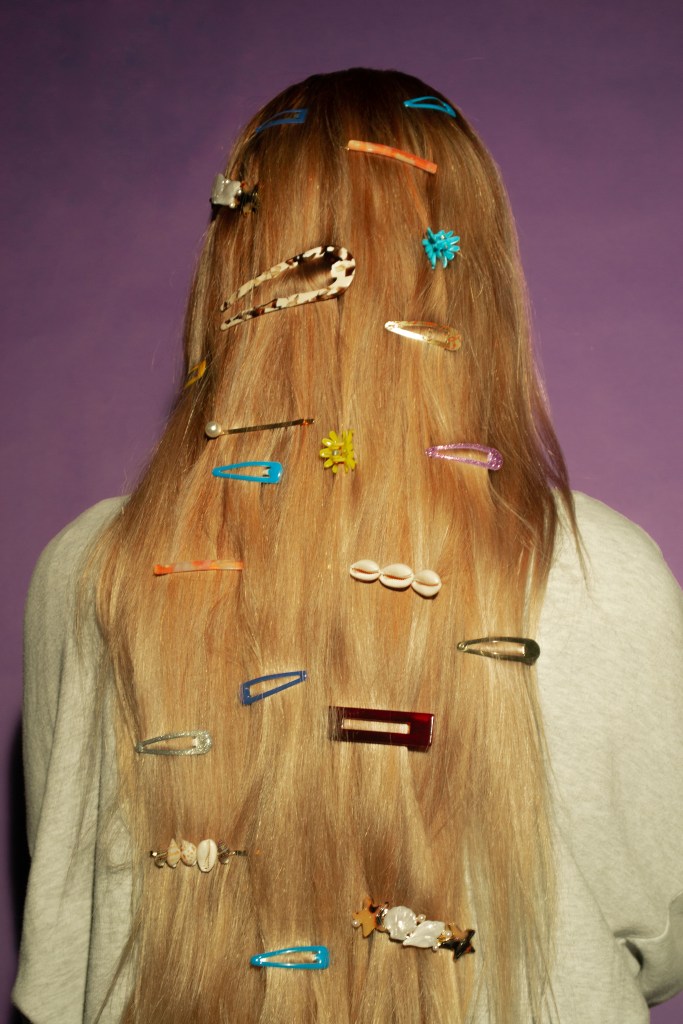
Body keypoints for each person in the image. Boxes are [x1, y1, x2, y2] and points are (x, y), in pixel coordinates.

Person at [13, 68, 683, 1024]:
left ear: (233, 260)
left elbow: (63, 932)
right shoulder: (599, 572)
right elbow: (659, 934)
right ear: (479, 272)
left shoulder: (91, 566)